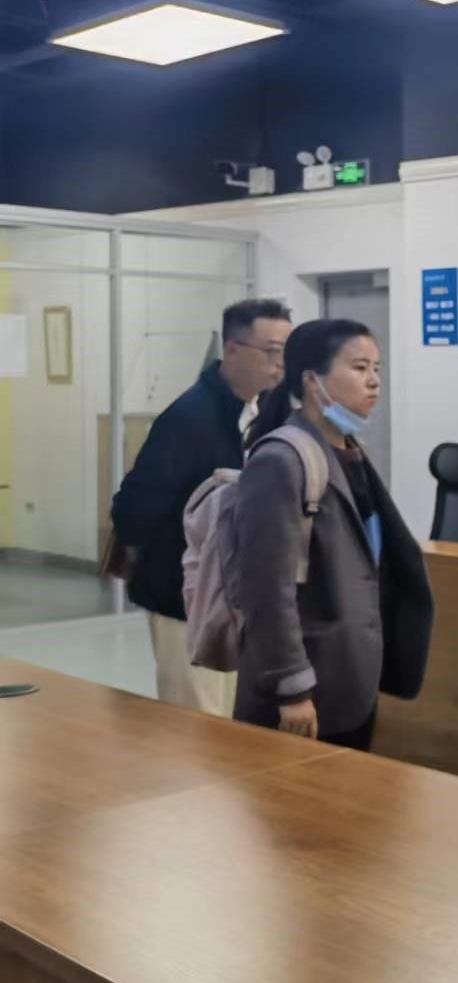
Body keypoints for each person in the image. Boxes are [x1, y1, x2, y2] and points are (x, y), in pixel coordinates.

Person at [234, 319, 433, 751]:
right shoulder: (281, 460)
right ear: (312, 380)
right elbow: (266, 588)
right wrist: (292, 688)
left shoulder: (352, 453)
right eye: (359, 368)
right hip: (303, 689)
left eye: (377, 369)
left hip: (351, 680)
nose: (374, 381)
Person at [112, 298, 292, 715]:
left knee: (235, 723)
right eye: (271, 351)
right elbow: (133, 509)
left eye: (286, 350)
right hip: (187, 600)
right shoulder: (189, 418)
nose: (280, 363)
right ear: (232, 350)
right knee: (195, 725)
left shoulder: (264, 412)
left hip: (239, 596)